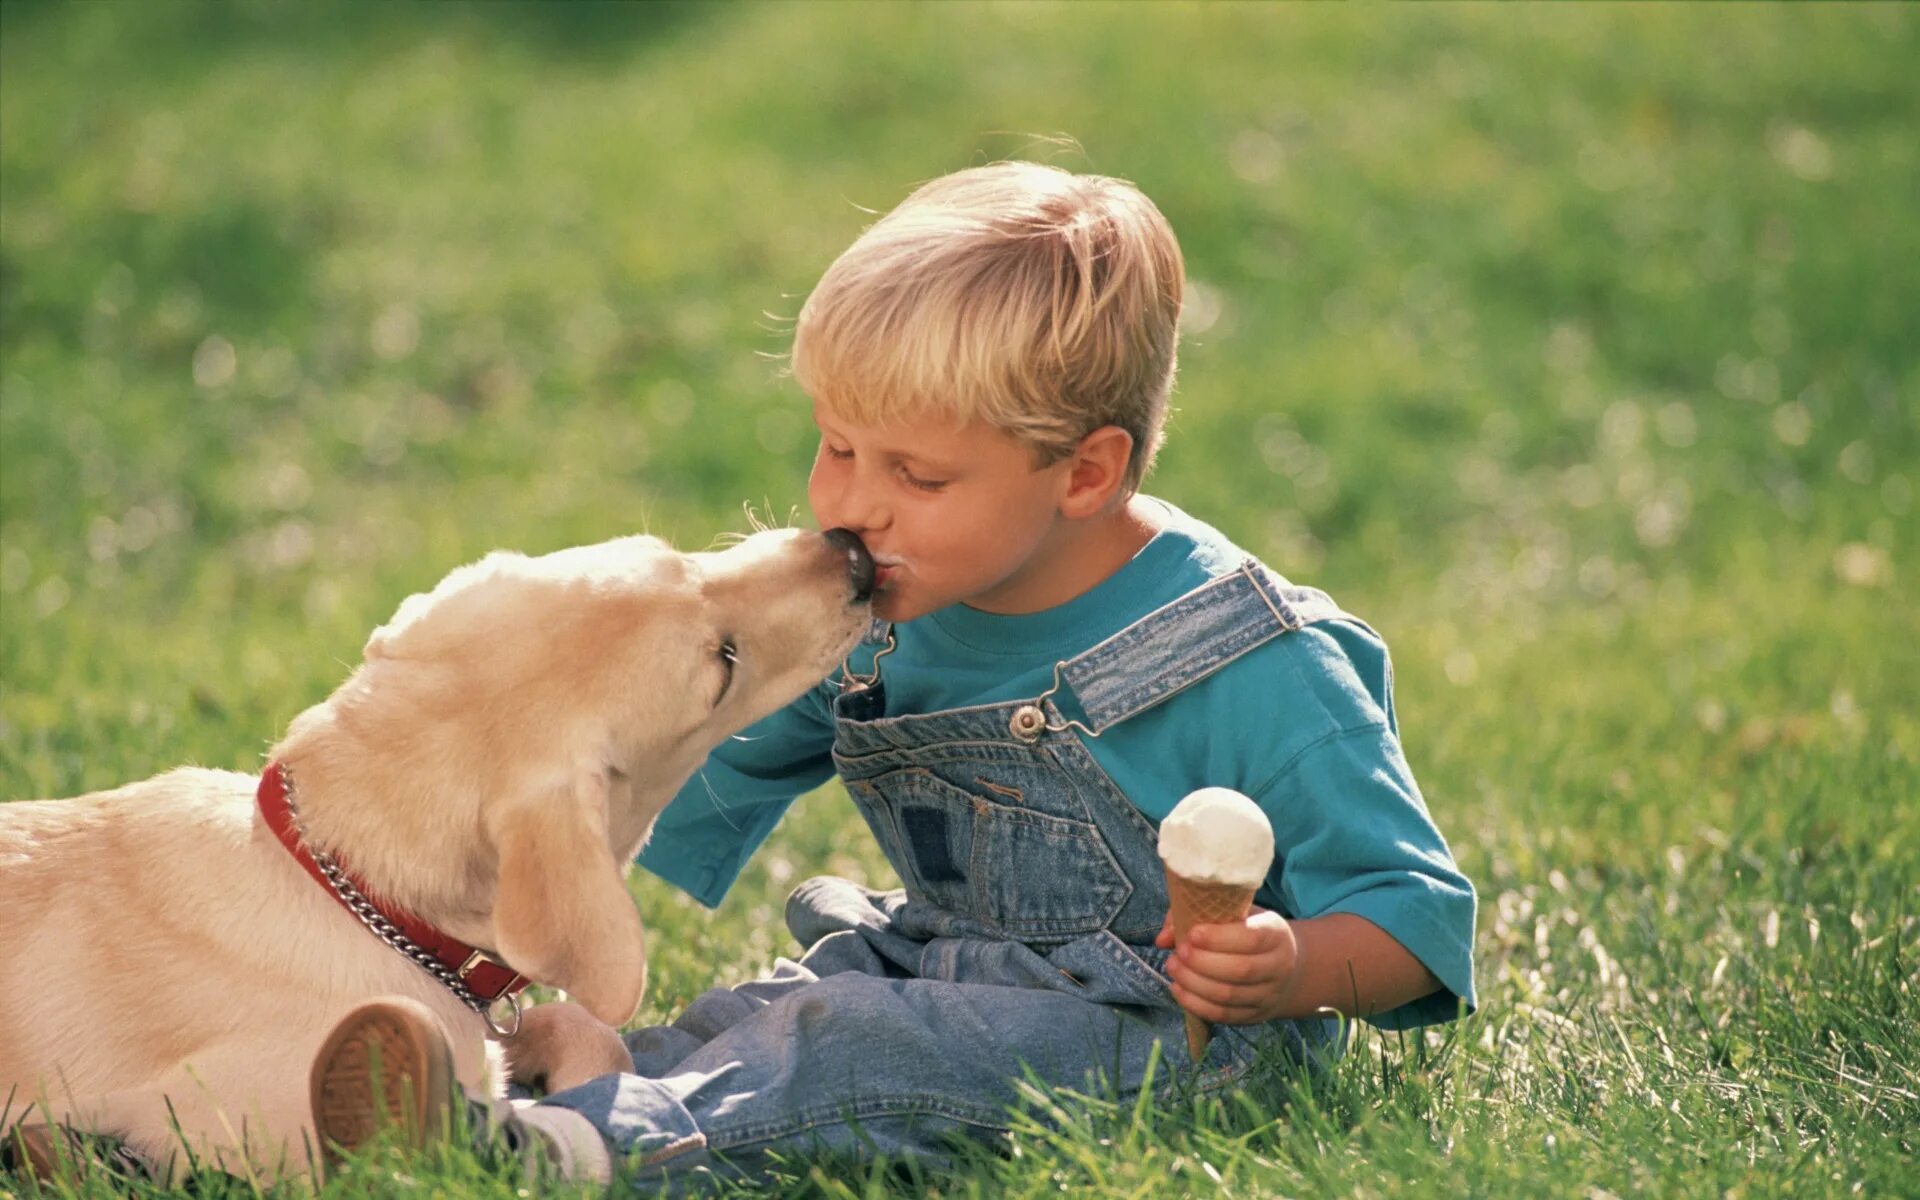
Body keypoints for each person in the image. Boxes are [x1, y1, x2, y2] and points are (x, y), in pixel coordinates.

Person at [311, 160, 1478, 1188]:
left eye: (917, 475)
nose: (850, 508)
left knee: (850, 1054)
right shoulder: (879, 616)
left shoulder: (1248, 659)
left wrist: (1285, 970)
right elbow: (674, 764)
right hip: (931, 964)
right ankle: (515, 1090)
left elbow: (1417, 921)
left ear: (1084, 474)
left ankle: (555, 1156)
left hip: (1166, 1037)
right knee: (767, 1014)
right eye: (835, 445)